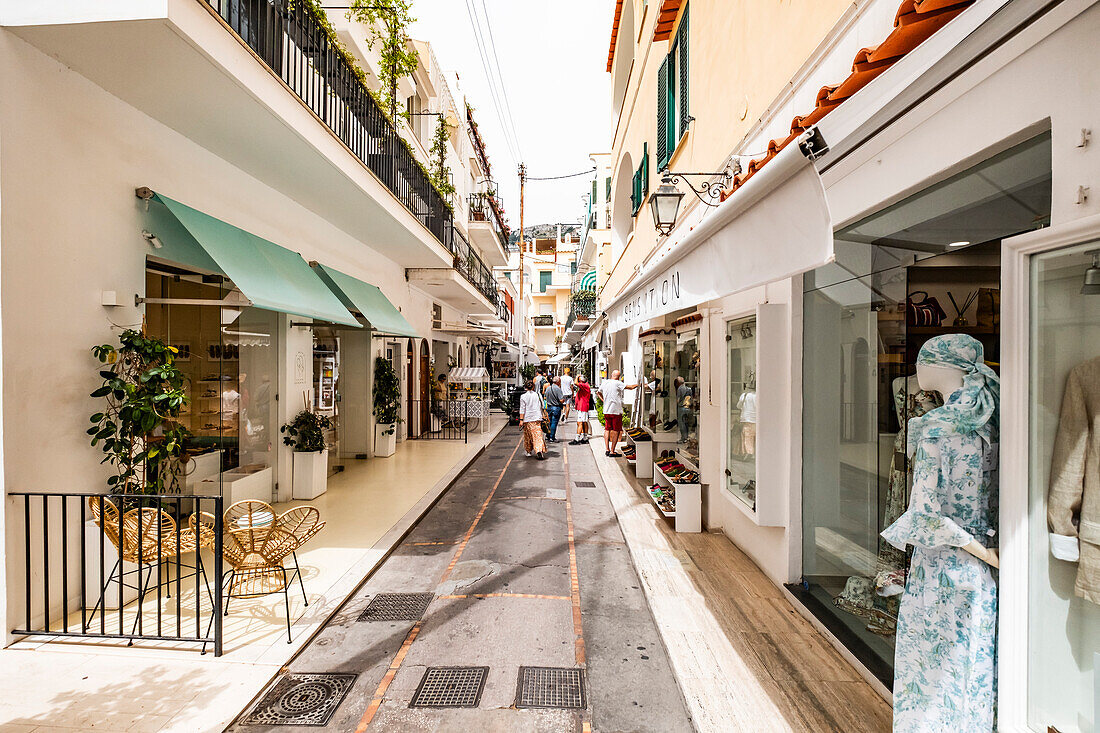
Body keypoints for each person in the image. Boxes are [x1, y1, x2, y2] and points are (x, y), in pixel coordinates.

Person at [598, 370, 637, 457]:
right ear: (619, 377)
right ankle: (612, 451)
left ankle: (607, 449)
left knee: (607, 429)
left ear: (612, 375)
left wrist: (604, 401)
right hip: (615, 411)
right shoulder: (618, 383)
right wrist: (639, 384)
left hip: (606, 411)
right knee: (616, 431)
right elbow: (630, 387)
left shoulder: (605, 382)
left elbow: (598, 393)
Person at [519, 379, 546, 459]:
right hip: (537, 417)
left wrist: (521, 420)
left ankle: (528, 451)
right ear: (533, 387)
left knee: (528, 435)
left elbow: (522, 409)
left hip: (527, 418)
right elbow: (542, 406)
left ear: (525, 387)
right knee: (537, 434)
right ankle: (539, 450)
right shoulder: (537, 395)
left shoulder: (523, 396)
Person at [569, 375, 592, 445]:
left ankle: (577, 438)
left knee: (580, 422)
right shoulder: (585, 386)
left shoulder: (584, 385)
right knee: (584, 422)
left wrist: (577, 377)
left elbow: (575, 383)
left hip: (583, 407)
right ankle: (585, 437)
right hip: (582, 406)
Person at [543, 376, 566, 442]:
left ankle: (548, 435)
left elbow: (545, 397)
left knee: (549, 422)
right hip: (556, 407)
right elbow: (561, 400)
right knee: (554, 423)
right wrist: (563, 400)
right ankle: (552, 437)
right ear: (558, 381)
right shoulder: (558, 389)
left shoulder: (548, 388)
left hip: (549, 407)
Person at [675, 376, 693, 443]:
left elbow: (678, 399)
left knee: (681, 423)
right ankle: (686, 437)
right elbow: (691, 398)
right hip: (687, 407)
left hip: (681, 407)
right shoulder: (689, 389)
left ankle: (683, 438)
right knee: (686, 423)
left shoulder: (680, 389)